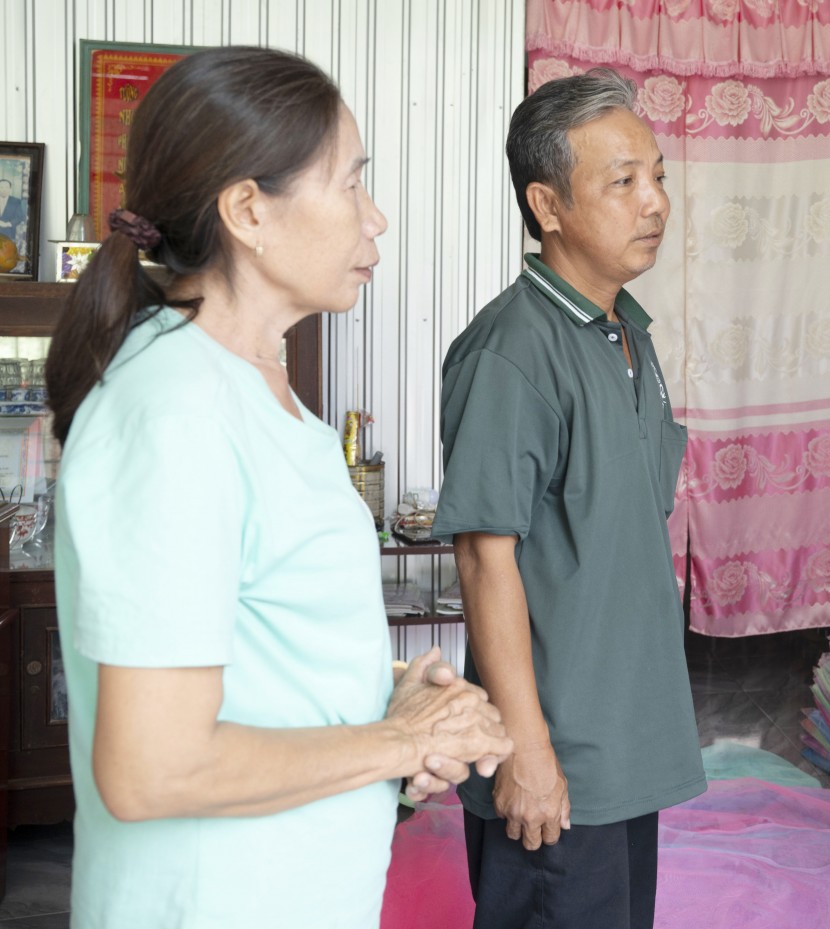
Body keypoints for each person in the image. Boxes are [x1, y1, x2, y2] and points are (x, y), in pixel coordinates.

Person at [45, 46, 513, 928]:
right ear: (248, 210)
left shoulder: (267, 398)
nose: (375, 218)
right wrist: (402, 738)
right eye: (351, 183)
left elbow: (264, 649)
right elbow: (154, 767)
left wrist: (399, 692)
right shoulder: (176, 409)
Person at [433, 67, 704, 929]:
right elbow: (484, 557)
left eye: (657, 175)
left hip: (624, 748)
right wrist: (528, 750)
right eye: (623, 181)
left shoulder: (627, 334)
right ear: (547, 206)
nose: (655, 201)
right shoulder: (512, 350)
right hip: (556, 759)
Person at [0, 178, 22, 243]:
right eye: (1, 187)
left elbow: (19, 217)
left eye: (6, 187)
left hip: (9, 233)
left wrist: (7, 224)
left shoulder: (16, 201)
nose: (4, 190)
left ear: (10, 189)